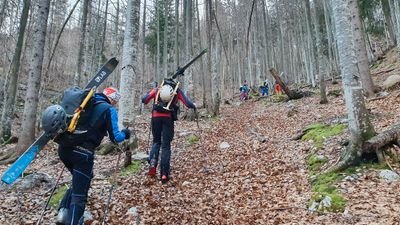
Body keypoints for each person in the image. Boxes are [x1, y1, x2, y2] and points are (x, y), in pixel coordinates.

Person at [54, 87, 130, 225]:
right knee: (80, 195)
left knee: (82, 181)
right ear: (112, 98)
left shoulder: (86, 102)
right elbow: (116, 138)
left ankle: (63, 212)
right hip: (82, 154)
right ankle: (72, 221)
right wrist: (126, 133)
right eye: (116, 100)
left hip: (64, 149)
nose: (115, 103)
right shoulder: (108, 109)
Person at [142, 79, 195, 184]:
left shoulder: (158, 89)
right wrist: (194, 105)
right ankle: (164, 174)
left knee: (156, 141)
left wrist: (149, 95)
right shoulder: (177, 91)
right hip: (168, 119)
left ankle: (153, 163)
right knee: (166, 146)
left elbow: (145, 99)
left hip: (155, 117)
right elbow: (188, 104)